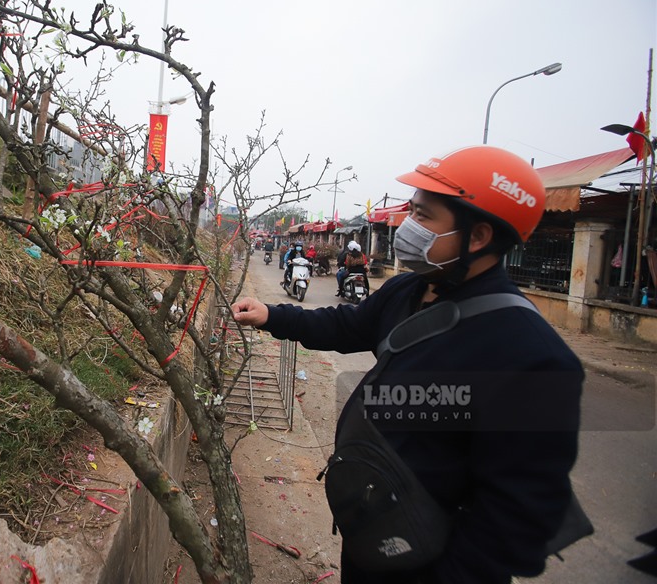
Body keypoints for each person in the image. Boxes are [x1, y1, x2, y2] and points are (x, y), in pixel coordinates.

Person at [231, 146, 583, 583]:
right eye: (411, 212)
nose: (408, 227)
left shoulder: (530, 355)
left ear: (478, 237)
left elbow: (518, 518)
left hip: (430, 563)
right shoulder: (410, 291)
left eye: (424, 216)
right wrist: (272, 315)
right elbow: (347, 326)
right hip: (373, 532)